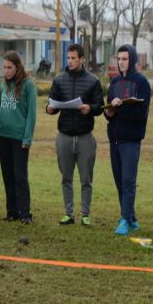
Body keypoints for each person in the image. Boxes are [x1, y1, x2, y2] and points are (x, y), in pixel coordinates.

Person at [46, 44, 103, 226]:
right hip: (64, 136)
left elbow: (99, 106)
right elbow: (52, 103)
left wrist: (90, 108)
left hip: (85, 136)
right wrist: (49, 109)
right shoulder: (59, 80)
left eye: (73, 58)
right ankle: (68, 213)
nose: (70, 61)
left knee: (86, 179)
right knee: (66, 178)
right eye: (68, 58)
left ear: (82, 59)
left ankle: (85, 214)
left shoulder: (93, 81)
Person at [104, 44, 151, 235]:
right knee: (118, 181)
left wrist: (120, 107)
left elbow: (141, 113)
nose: (121, 62)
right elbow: (108, 112)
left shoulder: (141, 83)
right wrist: (109, 111)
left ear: (132, 60)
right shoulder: (114, 83)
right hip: (114, 138)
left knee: (128, 180)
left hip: (131, 140)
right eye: (119, 59)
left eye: (125, 59)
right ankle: (130, 217)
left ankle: (124, 219)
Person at [0, 51, 37, 224]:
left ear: (18, 67)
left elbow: (31, 115)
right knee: (7, 175)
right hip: (3, 136)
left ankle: (25, 213)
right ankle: (12, 211)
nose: (6, 71)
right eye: (4, 67)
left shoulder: (28, 85)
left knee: (19, 176)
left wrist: (27, 138)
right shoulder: (3, 85)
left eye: (9, 67)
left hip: (19, 139)